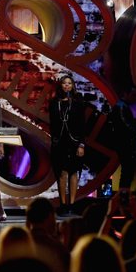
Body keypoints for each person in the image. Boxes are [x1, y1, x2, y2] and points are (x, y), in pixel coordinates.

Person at [48, 75, 90, 209]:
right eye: (64, 83)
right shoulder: (54, 103)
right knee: (62, 173)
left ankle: (72, 204)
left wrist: (81, 144)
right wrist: (54, 140)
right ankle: (63, 204)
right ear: (60, 86)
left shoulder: (77, 103)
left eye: (69, 83)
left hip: (74, 142)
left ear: (72, 86)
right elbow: (52, 124)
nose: (67, 85)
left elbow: (82, 126)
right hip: (60, 143)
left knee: (73, 172)